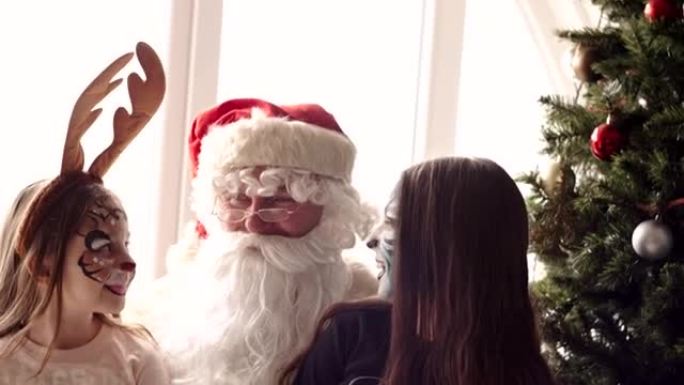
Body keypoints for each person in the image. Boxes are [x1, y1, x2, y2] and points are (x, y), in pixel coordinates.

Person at [139, 98, 378, 385]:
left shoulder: (368, 320)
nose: (253, 223)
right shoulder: (153, 315)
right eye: (236, 200)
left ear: (330, 211)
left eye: (278, 200)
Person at [280, 157, 557, 385]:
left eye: (392, 222)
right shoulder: (353, 332)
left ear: (446, 247)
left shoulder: (520, 371)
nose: (371, 239)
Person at [0, 42, 168, 385]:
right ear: (42, 264)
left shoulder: (138, 359)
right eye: (101, 244)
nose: (128, 262)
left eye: (126, 242)